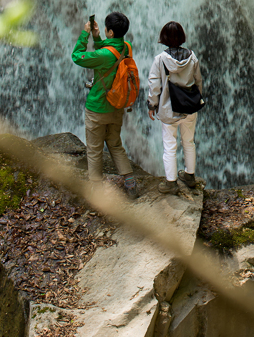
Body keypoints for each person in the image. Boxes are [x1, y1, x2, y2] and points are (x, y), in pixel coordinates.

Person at [72, 11, 139, 199]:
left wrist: (85, 34)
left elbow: (77, 56)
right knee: (115, 144)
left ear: (110, 31)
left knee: (94, 149)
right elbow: (109, 49)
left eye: (106, 30)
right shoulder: (127, 47)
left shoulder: (102, 56)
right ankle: (130, 183)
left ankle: (96, 191)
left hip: (97, 108)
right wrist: (97, 37)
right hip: (117, 107)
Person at [147, 21, 202, 195]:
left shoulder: (160, 59)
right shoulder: (192, 57)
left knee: (170, 145)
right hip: (189, 108)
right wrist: (197, 99)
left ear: (163, 38)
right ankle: (189, 176)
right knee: (189, 142)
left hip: (169, 108)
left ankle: (171, 183)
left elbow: (154, 85)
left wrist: (152, 104)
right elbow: (198, 80)